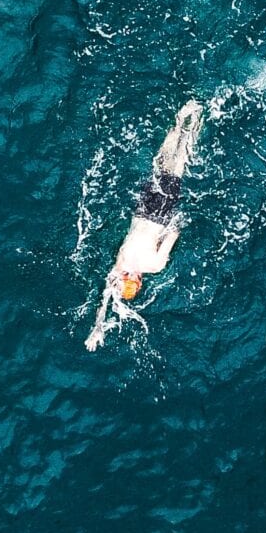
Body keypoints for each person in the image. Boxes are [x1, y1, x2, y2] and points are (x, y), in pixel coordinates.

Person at [89, 98, 203, 350]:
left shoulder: (155, 265)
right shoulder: (122, 263)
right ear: (125, 279)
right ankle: (180, 119)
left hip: (161, 215)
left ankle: (195, 120)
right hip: (141, 210)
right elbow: (105, 298)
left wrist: (176, 227)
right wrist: (96, 330)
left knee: (179, 166)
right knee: (162, 162)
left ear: (138, 282)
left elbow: (174, 231)